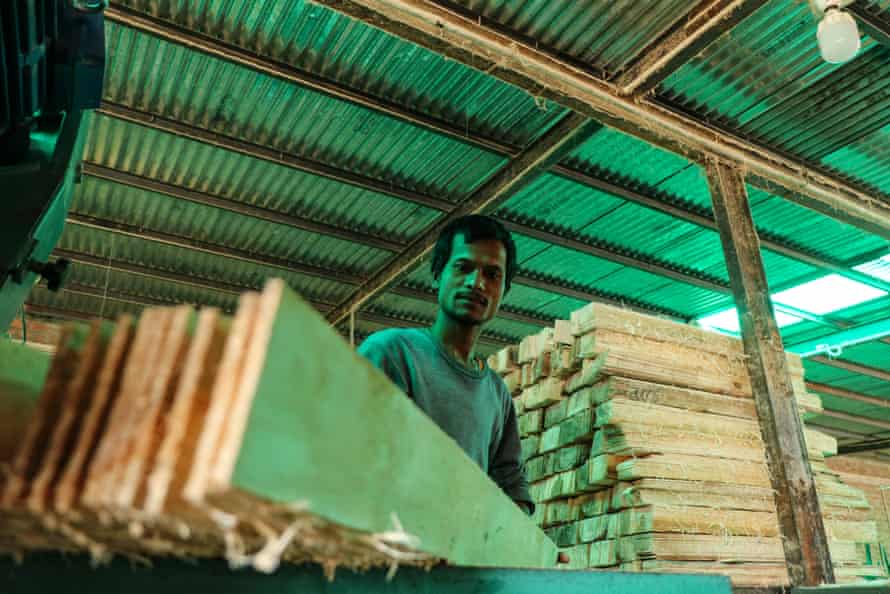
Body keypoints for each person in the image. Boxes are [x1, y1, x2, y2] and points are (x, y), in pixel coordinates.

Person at [358, 215, 533, 514]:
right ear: (439, 272)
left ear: (504, 291)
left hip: (460, 556)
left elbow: (511, 485)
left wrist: (528, 550)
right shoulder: (392, 354)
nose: (476, 283)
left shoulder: (496, 394)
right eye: (463, 267)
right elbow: (358, 456)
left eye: (493, 275)